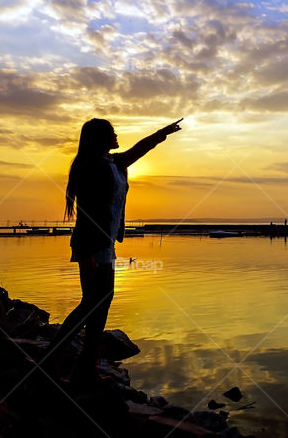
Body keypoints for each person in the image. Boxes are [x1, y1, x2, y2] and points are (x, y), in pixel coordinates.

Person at [41, 117, 182, 385]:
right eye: (112, 132)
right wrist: (88, 251)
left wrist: (162, 133)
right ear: (99, 138)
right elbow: (87, 212)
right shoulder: (90, 167)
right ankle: (50, 361)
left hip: (105, 242)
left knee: (101, 303)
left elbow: (140, 150)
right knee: (91, 303)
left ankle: (85, 368)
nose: (117, 135)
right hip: (91, 244)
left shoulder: (113, 163)